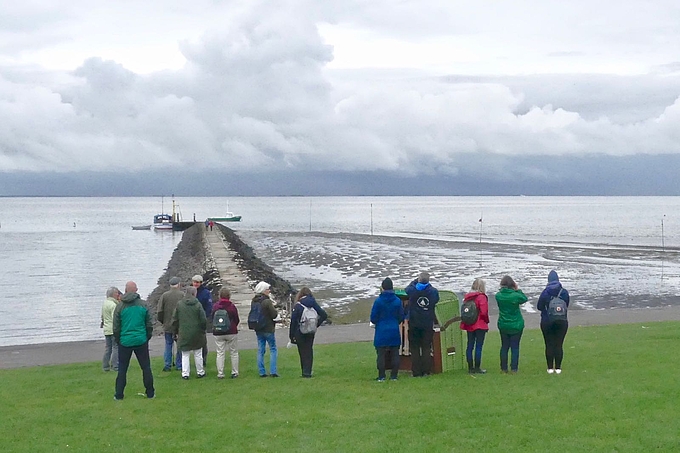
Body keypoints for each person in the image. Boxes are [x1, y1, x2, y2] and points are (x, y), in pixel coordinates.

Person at [113, 281, 154, 400]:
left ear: (125, 291)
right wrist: (147, 337)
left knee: (122, 369)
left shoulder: (120, 306)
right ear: (136, 290)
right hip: (141, 340)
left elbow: (116, 327)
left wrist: (119, 339)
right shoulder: (143, 305)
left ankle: (119, 394)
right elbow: (149, 324)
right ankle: (150, 393)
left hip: (125, 341)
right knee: (146, 367)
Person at [405, 271, 440, 377]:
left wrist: (415, 281)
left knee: (415, 348)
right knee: (426, 348)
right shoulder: (433, 292)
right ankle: (426, 371)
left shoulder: (413, 290)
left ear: (418, 280)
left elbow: (407, 289)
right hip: (427, 323)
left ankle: (416, 372)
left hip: (415, 323)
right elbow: (436, 300)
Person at [370, 277, 404, 382]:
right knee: (395, 353)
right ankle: (394, 376)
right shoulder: (397, 301)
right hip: (394, 329)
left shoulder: (378, 301)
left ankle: (381, 376)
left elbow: (373, 318)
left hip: (381, 330)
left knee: (380, 353)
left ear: (383, 288)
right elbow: (401, 316)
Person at [289, 287, 328, 378]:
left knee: (302, 351)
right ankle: (308, 371)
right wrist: (316, 324)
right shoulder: (313, 304)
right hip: (311, 331)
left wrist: (291, 336)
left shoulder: (298, 306)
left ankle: (305, 372)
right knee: (309, 350)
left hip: (300, 331)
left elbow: (293, 322)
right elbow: (324, 315)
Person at [537, 270, 570, 374]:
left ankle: (550, 368)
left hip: (547, 321)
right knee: (559, 344)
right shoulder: (564, 292)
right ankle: (558, 368)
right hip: (562, 321)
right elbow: (566, 305)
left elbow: (539, 306)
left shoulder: (545, 292)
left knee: (549, 344)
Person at [172, 286, 207, 380]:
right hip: (197, 332)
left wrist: (175, 331)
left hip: (184, 332)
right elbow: (203, 319)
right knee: (198, 353)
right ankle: (200, 372)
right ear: (194, 294)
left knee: (185, 354)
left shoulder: (179, 304)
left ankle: (185, 374)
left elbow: (175, 320)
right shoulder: (198, 304)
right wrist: (203, 329)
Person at [495, 275, 528, 374]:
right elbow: (524, 298)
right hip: (516, 324)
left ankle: (503, 368)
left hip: (503, 323)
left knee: (504, 346)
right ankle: (514, 368)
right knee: (515, 347)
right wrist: (517, 289)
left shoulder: (498, 296)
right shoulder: (515, 295)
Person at [460, 278, 490, 374]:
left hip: (469, 324)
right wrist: (486, 321)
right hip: (480, 324)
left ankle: (470, 368)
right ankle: (477, 367)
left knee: (470, 345)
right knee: (478, 346)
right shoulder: (481, 297)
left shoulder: (467, 297)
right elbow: (484, 312)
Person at [252, 281, 279, 377]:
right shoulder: (267, 301)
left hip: (258, 328)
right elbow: (274, 314)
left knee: (260, 350)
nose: (269, 290)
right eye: (268, 289)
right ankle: (273, 371)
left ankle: (262, 372)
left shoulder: (254, 301)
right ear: (264, 290)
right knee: (273, 349)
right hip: (268, 328)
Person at [212, 287, 241, 379]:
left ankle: (220, 373)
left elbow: (212, 317)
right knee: (234, 352)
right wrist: (233, 326)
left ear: (220, 296)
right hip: (231, 332)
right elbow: (236, 319)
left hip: (218, 332)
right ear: (229, 296)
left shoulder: (216, 306)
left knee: (220, 353)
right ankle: (234, 372)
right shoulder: (232, 306)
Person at [157, 276, 184, 372]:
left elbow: (160, 311)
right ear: (179, 284)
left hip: (168, 325)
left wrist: (163, 322)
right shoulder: (182, 295)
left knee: (168, 345)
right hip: (179, 325)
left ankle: (167, 364)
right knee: (180, 345)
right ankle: (179, 365)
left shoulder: (164, 295)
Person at [192, 274, 213, 367]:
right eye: (194, 282)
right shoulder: (190, 292)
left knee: (202, 341)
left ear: (201, 283)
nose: (195, 284)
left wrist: (204, 317)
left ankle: (203, 359)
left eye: (197, 282)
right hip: (191, 319)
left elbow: (209, 307)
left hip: (201, 320)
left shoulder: (206, 293)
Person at [101, 286, 121, 372]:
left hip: (107, 329)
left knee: (108, 348)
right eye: (117, 293)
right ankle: (115, 365)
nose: (118, 294)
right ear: (113, 294)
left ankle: (105, 366)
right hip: (113, 329)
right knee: (116, 347)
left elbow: (102, 316)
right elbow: (115, 318)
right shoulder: (113, 305)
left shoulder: (105, 303)